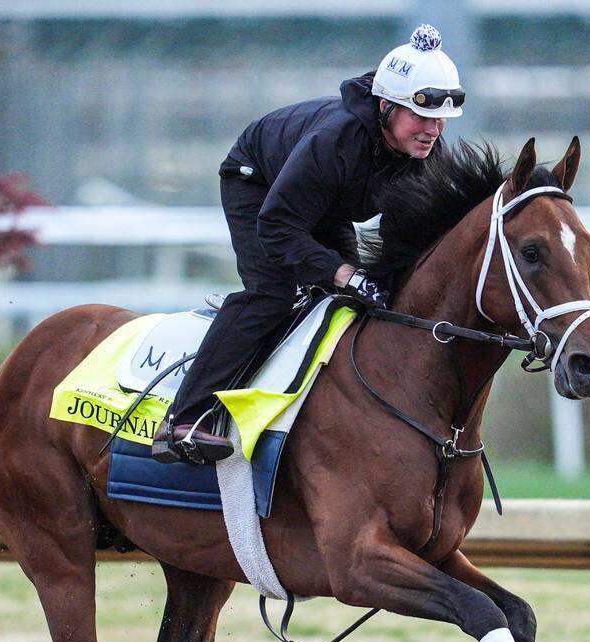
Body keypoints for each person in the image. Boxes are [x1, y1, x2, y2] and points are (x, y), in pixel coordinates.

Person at [153, 24, 466, 465]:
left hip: (323, 206)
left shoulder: (425, 151)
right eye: (422, 117)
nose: (433, 130)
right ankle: (183, 421)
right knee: (273, 293)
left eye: (441, 121)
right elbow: (278, 227)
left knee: (364, 298)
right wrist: (346, 273)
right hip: (259, 186)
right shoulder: (334, 140)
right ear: (385, 107)